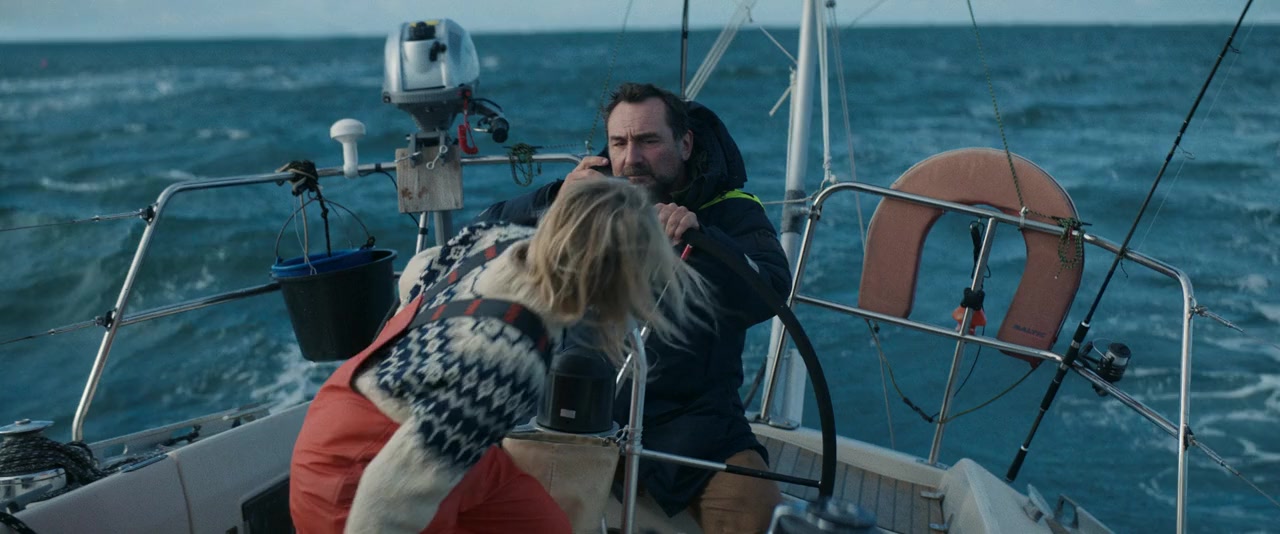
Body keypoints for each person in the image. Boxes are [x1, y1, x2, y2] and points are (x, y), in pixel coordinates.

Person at [290, 178, 709, 534]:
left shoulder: (496, 237)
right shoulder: (510, 362)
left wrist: (434, 361)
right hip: (354, 470)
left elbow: (418, 270)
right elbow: (386, 502)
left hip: (364, 394)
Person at [477, 82, 790, 533]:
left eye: (648, 141)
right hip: (572, 407)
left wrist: (703, 241)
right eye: (619, 143)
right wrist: (554, 200)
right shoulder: (589, 199)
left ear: (685, 144)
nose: (632, 158)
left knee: (758, 509)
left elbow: (771, 289)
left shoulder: (729, 211)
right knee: (468, 482)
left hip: (691, 423)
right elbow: (481, 236)